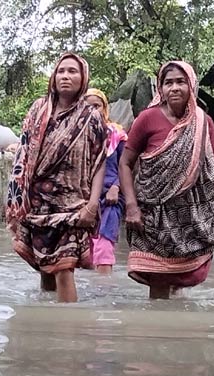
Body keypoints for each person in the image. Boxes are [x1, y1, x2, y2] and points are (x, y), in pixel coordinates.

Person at [118, 61, 214, 299]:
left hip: (190, 219)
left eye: (181, 82)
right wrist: (131, 206)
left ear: (192, 85)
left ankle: (178, 331)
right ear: (161, 88)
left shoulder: (203, 123)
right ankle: (158, 330)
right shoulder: (147, 119)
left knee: (179, 282)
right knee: (158, 281)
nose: (174, 88)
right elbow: (125, 163)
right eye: (168, 83)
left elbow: (212, 170)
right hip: (153, 216)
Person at [6, 53, 108, 303]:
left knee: (64, 268)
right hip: (37, 204)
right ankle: (46, 328)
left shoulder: (91, 117)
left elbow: (99, 162)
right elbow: (24, 152)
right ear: (54, 76)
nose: (65, 76)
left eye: (73, 71)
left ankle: (68, 332)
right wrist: (17, 203)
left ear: (83, 77)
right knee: (45, 268)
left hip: (73, 205)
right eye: (61, 71)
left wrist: (93, 205)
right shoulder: (38, 110)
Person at [84, 88, 128, 275]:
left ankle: (104, 292)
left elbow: (127, 165)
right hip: (84, 197)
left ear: (105, 108)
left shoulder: (117, 135)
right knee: (84, 247)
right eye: (88, 107)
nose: (94, 111)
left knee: (104, 243)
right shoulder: (77, 136)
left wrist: (116, 187)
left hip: (111, 196)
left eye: (97, 106)